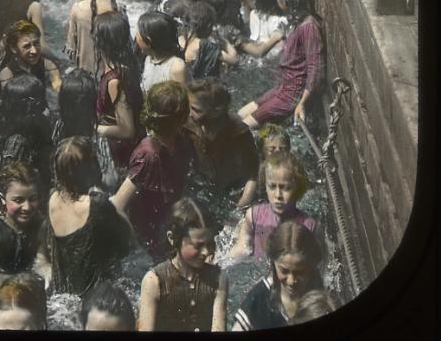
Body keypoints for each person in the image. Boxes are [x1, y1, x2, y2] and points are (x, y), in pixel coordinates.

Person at [110, 81, 194, 253]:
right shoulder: (148, 155)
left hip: (168, 219)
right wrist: (136, 246)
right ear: (182, 118)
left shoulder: (182, 141)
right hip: (149, 233)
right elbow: (117, 205)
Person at [44, 136, 131, 296]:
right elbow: (126, 244)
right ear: (91, 168)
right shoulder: (96, 204)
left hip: (63, 292)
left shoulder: (52, 199)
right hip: (96, 294)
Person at [238, 0, 325, 127]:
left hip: (293, 96)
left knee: (244, 126)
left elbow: (315, 70)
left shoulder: (309, 27)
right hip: (283, 87)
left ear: (285, 0)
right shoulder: (296, 21)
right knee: (239, 116)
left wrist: (302, 103)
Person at [137, 197, 227, 332]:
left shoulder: (218, 279)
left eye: (209, 244)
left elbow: (218, 328)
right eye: (198, 245)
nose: (206, 252)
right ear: (172, 238)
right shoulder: (154, 282)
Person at [232, 220, 325, 330]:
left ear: (311, 266)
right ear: (274, 264)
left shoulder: (321, 298)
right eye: (284, 271)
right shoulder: (261, 297)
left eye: (299, 272)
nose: (291, 281)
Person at [183, 80, 259, 208]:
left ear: (216, 110)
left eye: (196, 110)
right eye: (189, 107)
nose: (190, 114)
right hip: (202, 181)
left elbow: (253, 172)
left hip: (232, 186)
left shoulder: (238, 132)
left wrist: (244, 202)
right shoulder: (189, 125)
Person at [231, 152, 319, 260]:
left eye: (285, 188)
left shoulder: (309, 226)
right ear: (265, 186)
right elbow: (239, 250)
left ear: (297, 188)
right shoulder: (254, 216)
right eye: (272, 187)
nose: (278, 195)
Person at [93, 13, 144, 182]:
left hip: (120, 153)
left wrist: (94, 129)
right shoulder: (127, 63)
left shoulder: (115, 80)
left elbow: (127, 130)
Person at [0, 161, 50, 278]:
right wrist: (7, 279)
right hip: (1, 277)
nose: (27, 207)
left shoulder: (41, 224)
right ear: (3, 199)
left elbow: (40, 261)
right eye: (18, 200)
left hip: (26, 276)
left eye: (33, 199)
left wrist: (47, 272)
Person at [65, 0, 116, 75]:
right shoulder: (119, 9)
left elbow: (71, 49)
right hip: (112, 76)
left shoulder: (77, 9)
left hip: (86, 75)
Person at [0, 20, 62, 92]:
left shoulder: (47, 65)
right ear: (13, 48)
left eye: (36, 43)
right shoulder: (7, 74)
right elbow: (11, 100)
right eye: (27, 46)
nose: (34, 51)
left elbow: (58, 89)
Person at [135, 10, 188, 93]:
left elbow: (182, 100)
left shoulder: (176, 67)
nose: (136, 36)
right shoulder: (148, 58)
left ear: (149, 41)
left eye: (138, 33)